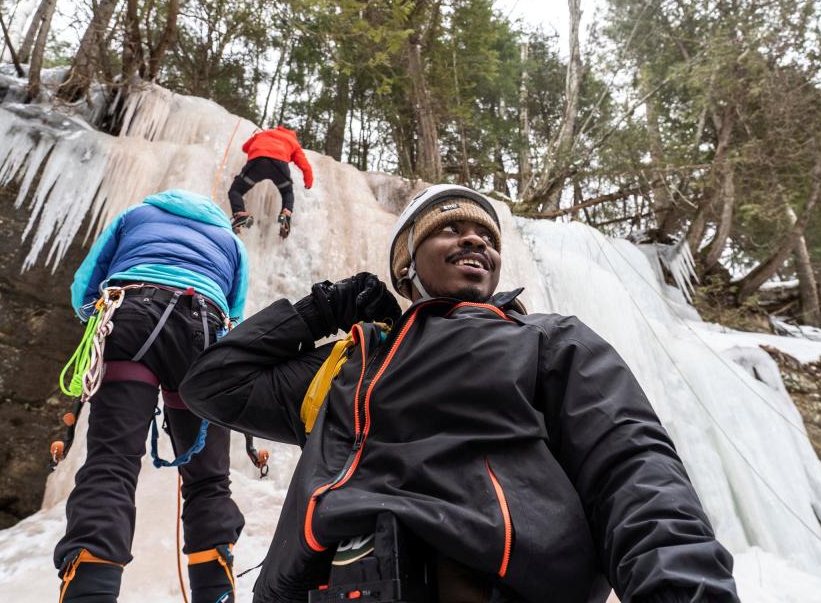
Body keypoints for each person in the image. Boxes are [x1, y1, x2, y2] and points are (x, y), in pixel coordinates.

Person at [180, 184, 739, 603]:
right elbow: (214, 383)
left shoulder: (549, 340)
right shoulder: (350, 361)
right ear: (405, 265)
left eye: (489, 238)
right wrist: (327, 306)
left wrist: (684, 591)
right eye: (449, 229)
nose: (476, 239)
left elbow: (631, 466)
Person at [55, 190, 248, 603]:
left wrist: (94, 320)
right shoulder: (231, 241)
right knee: (209, 480)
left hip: (131, 315)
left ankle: (90, 592)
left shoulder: (136, 215)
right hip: (204, 333)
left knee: (112, 462)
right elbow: (237, 310)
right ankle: (215, 593)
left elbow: (86, 283)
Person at [228, 125, 314, 238]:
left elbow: (245, 148)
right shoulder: (293, 142)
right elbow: (305, 165)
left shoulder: (263, 134)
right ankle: (285, 215)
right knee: (287, 192)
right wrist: (308, 182)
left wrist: (256, 137)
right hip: (279, 166)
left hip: (258, 163)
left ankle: (241, 215)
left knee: (235, 191)